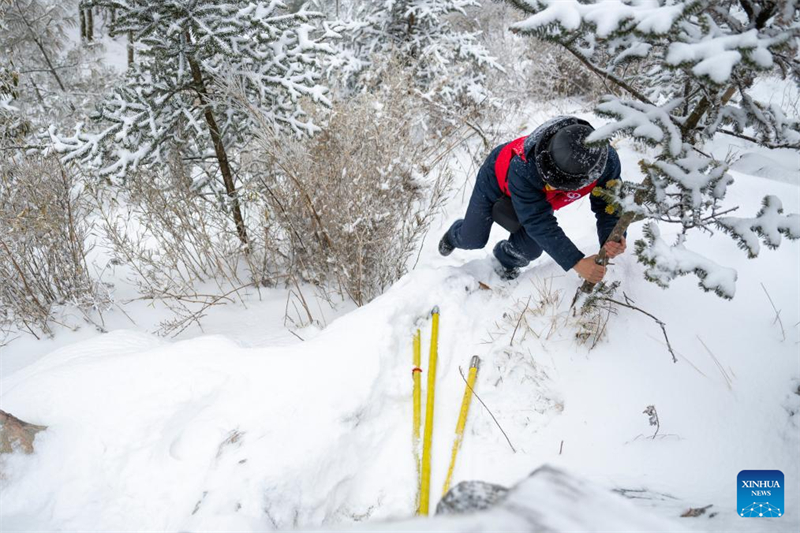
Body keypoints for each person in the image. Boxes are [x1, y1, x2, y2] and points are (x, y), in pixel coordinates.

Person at [438, 116, 626, 281]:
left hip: (536, 200)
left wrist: (611, 238)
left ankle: (504, 260)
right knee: (473, 239)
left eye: (556, 185)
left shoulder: (606, 163)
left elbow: (609, 204)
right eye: (547, 181)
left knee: (529, 250)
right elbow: (537, 221)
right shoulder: (525, 164)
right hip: (496, 179)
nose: (549, 187)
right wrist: (576, 262)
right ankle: (455, 234)